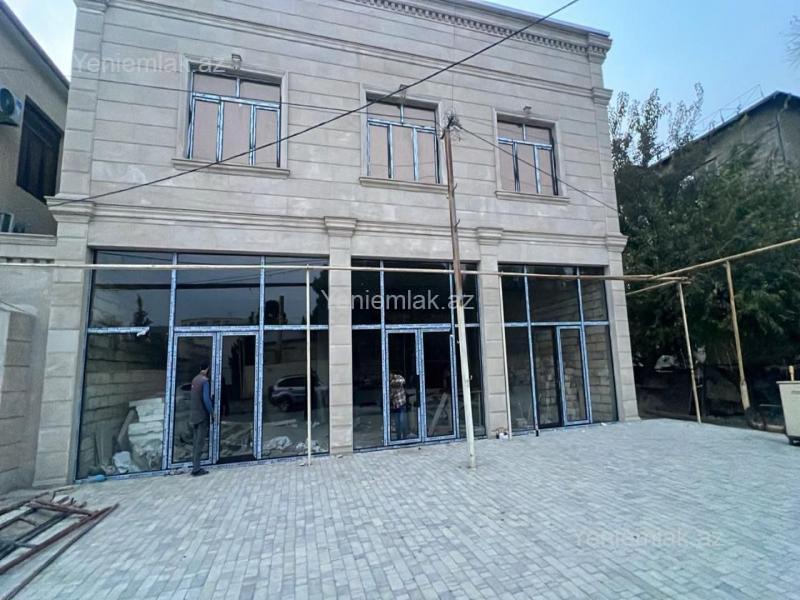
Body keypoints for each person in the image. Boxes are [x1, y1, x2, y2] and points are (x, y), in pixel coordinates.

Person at [190, 363, 213, 476]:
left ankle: (195, 465)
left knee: (195, 442)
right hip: (201, 415)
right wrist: (212, 412)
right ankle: (196, 469)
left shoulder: (195, 380)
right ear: (208, 369)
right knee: (200, 442)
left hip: (193, 415)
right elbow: (206, 399)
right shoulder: (205, 381)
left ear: (200, 368)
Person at [390, 372, 409, 440]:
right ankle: (398, 438)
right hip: (395, 405)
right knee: (397, 422)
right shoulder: (389, 383)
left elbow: (403, 381)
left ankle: (404, 437)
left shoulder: (398, 377)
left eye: (390, 376)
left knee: (402, 420)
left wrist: (393, 383)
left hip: (402, 403)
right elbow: (391, 396)